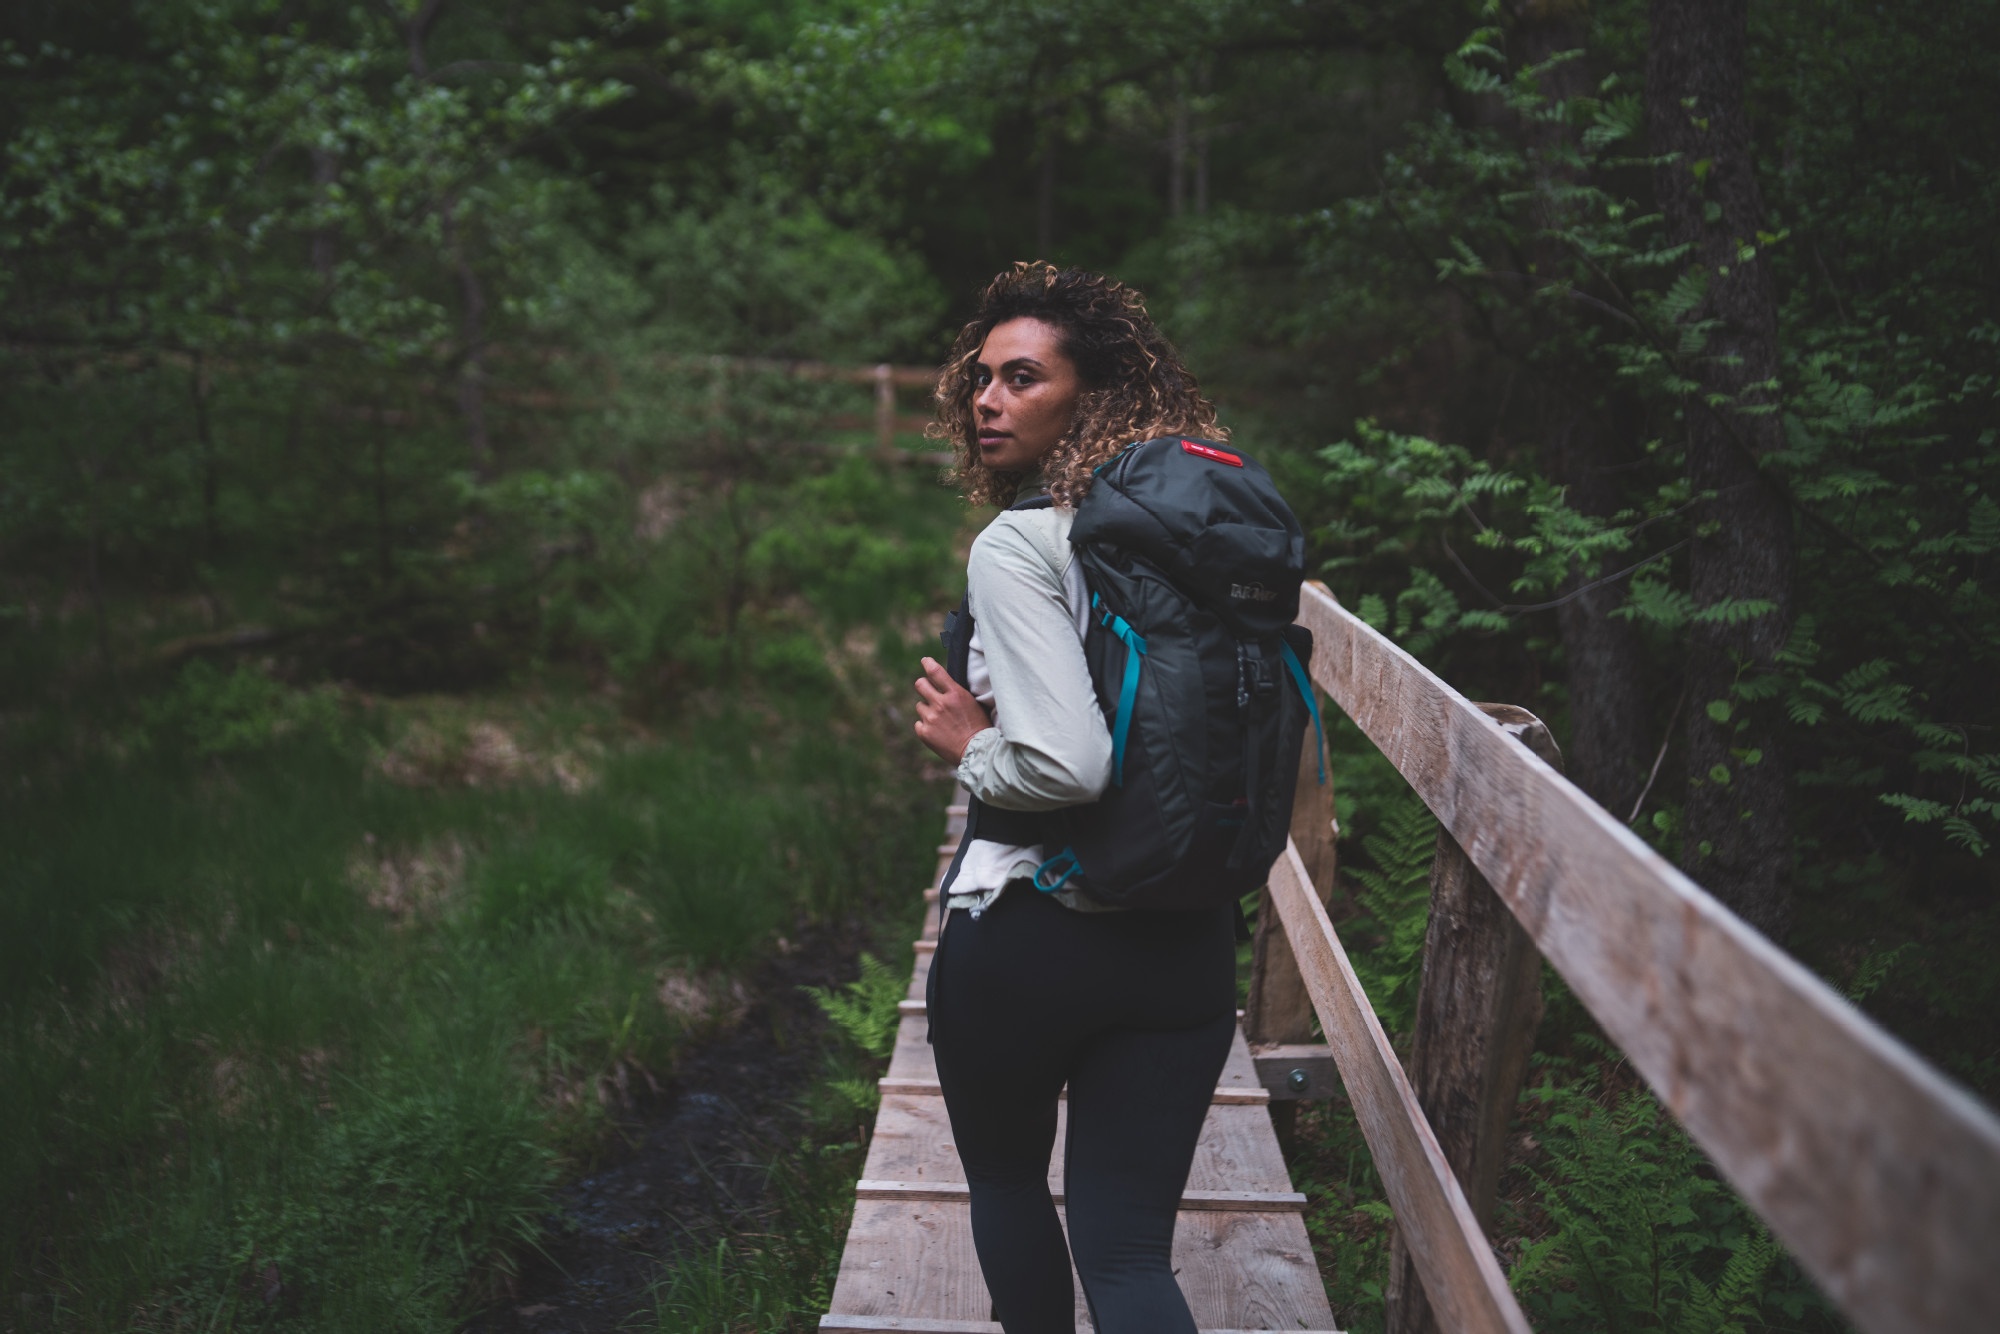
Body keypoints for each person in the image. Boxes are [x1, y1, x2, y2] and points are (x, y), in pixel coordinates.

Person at [909, 261, 1238, 1334]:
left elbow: (1065, 765)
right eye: (979, 379)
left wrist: (970, 745)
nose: (985, 401)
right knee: (1131, 1252)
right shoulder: (1201, 541)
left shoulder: (1021, 540)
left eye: (1019, 378)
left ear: (1089, 399)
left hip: (1030, 931)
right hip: (1182, 939)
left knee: (1007, 1185)